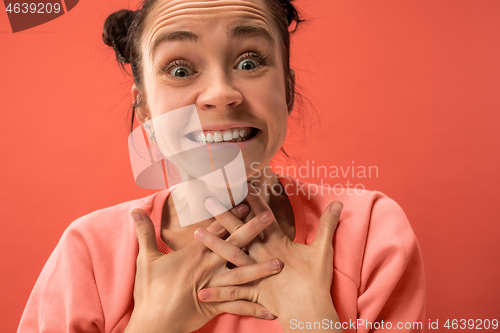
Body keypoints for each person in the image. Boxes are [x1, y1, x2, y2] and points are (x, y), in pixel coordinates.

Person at [18, 0, 426, 332]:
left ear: (287, 89)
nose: (221, 94)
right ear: (143, 108)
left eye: (249, 63)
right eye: (179, 70)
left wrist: (314, 319)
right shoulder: (89, 254)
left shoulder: (370, 231)